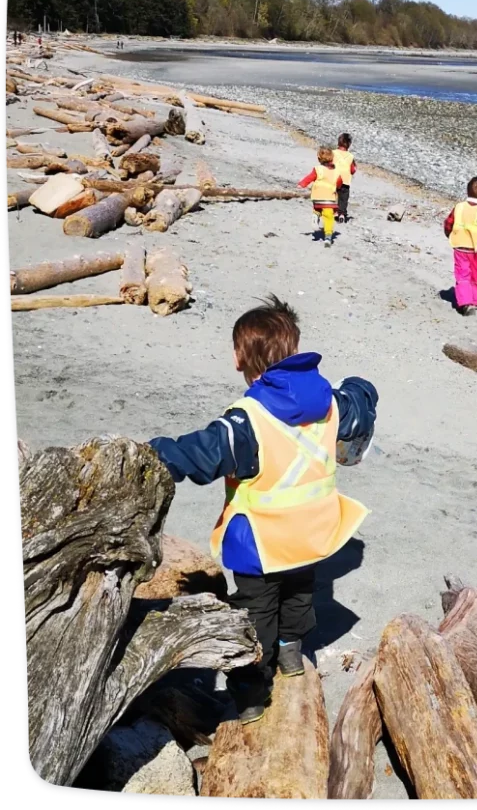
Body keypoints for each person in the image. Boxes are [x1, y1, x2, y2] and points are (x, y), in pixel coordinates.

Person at [148, 296, 379, 723]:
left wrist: (151, 455)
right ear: (293, 351)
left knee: (256, 610)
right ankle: (293, 654)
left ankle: (253, 690)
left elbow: (198, 454)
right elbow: (358, 403)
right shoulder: (328, 402)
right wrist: (363, 388)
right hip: (312, 531)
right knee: (299, 591)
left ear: (239, 359)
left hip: (260, 537)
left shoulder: (247, 419)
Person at [444, 176, 477, 316]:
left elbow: (448, 223)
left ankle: (466, 302)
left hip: (460, 246)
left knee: (462, 274)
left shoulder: (459, 207)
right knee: (475, 272)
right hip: (475, 248)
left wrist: (448, 233)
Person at [298, 146, 342, 247]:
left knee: (318, 208)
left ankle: (315, 216)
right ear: (332, 158)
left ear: (319, 159)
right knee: (328, 217)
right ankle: (328, 237)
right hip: (329, 199)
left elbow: (310, 177)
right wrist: (337, 188)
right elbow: (339, 183)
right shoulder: (336, 172)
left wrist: (302, 184)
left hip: (317, 196)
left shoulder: (318, 169)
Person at [332, 133, 357, 224]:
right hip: (345, 181)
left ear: (338, 142)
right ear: (349, 144)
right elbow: (353, 170)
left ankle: (335, 212)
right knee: (344, 198)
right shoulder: (350, 156)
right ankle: (342, 214)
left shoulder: (333, 153)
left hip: (334, 178)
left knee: (334, 196)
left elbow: (329, 164)